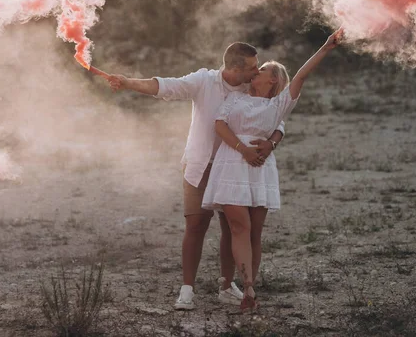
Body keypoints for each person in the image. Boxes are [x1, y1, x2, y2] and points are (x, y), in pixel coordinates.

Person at [105, 43, 287, 310]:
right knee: (195, 226)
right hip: (200, 164)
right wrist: (126, 82)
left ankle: (227, 286)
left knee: (231, 229)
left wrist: (271, 143)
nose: (255, 71)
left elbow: (276, 119)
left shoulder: (250, 89)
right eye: (251, 68)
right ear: (235, 68)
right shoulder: (203, 81)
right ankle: (187, 290)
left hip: (235, 168)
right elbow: (164, 86)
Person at [202, 28, 344, 311]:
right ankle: (247, 287)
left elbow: (301, 76)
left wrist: (326, 48)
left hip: (260, 169)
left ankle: (248, 286)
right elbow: (219, 124)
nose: (257, 71)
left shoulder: (279, 104)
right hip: (232, 164)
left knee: (255, 232)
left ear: (274, 79)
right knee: (238, 227)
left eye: (263, 69)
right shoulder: (237, 97)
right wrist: (243, 149)